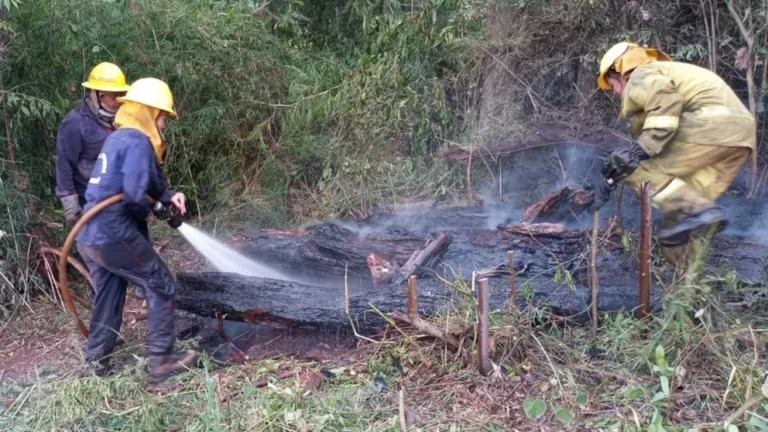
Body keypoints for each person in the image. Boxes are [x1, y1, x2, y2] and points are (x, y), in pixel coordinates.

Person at [594, 42, 756, 271]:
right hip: (739, 138)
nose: (617, 93)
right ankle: (687, 281)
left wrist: (638, 151)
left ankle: (703, 211)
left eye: (612, 85)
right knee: (679, 216)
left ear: (620, 70)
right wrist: (609, 181)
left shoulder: (640, 74)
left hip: (710, 126)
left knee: (637, 171)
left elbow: (664, 105)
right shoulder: (666, 73)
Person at [75, 77, 198, 381]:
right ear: (148, 112)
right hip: (112, 232)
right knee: (161, 284)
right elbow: (133, 195)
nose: (164, 124)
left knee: (109, 294)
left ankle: (95, 363)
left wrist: (169, 196)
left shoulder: (120, 138)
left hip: (89, 234)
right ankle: (162, 362)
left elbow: (149, 180)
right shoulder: (138, 141)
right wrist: (149, 210)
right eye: (163, 117)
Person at [56, 62, 130, 224]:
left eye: (122, 94)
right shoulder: (75, 123)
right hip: (91, 203)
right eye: (114, 96)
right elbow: (64, 165)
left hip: (119, 199)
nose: (119, 100)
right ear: (98, 95)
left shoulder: (123, 119)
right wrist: (71, 207)